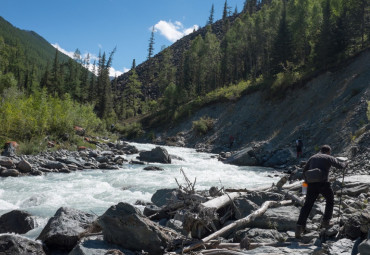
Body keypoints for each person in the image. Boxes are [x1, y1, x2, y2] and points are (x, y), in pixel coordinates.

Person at [295, 145, 347, 238]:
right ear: (328, 151)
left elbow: (304, 171)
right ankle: (326, 221)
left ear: (320, 150)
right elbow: (340, 166)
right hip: (323, 184)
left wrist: (305, 186)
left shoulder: (312, 157)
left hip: (311, 184)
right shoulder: (329, 157)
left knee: (307, 205)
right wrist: (346, 164)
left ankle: (299, 227)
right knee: (330, 200)